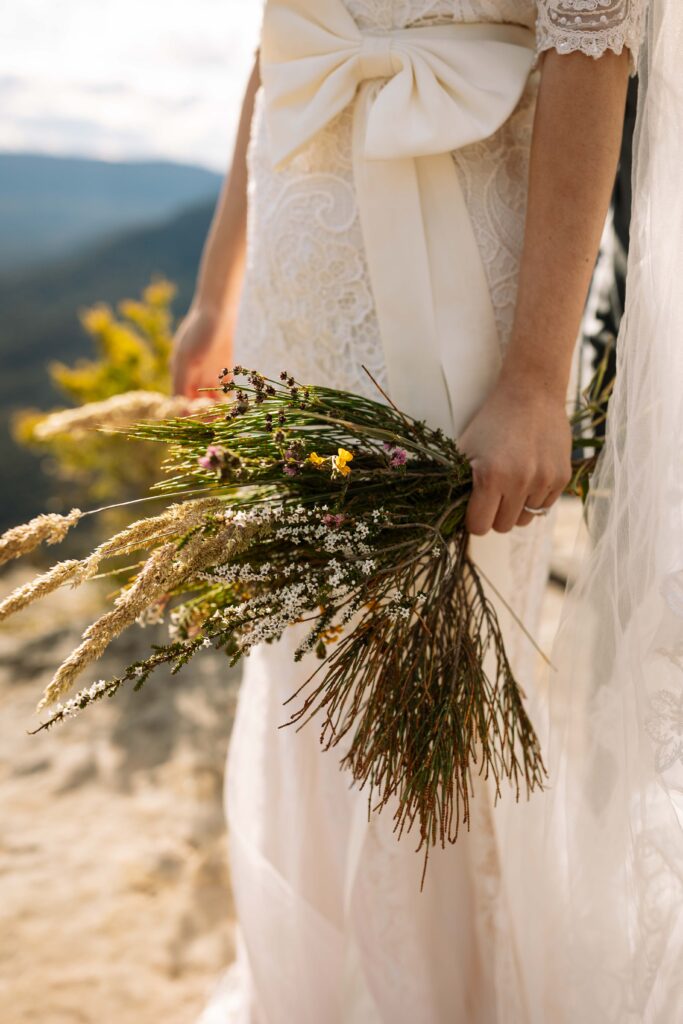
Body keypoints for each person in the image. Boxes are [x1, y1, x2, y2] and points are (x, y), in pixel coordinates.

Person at [173, 3, 650, 1021]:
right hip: (293, 294)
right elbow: (281, 47)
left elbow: (592, 41)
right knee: (300, 662)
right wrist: (221, 290)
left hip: (449, 281)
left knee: (428, 698)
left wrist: (531, 377)